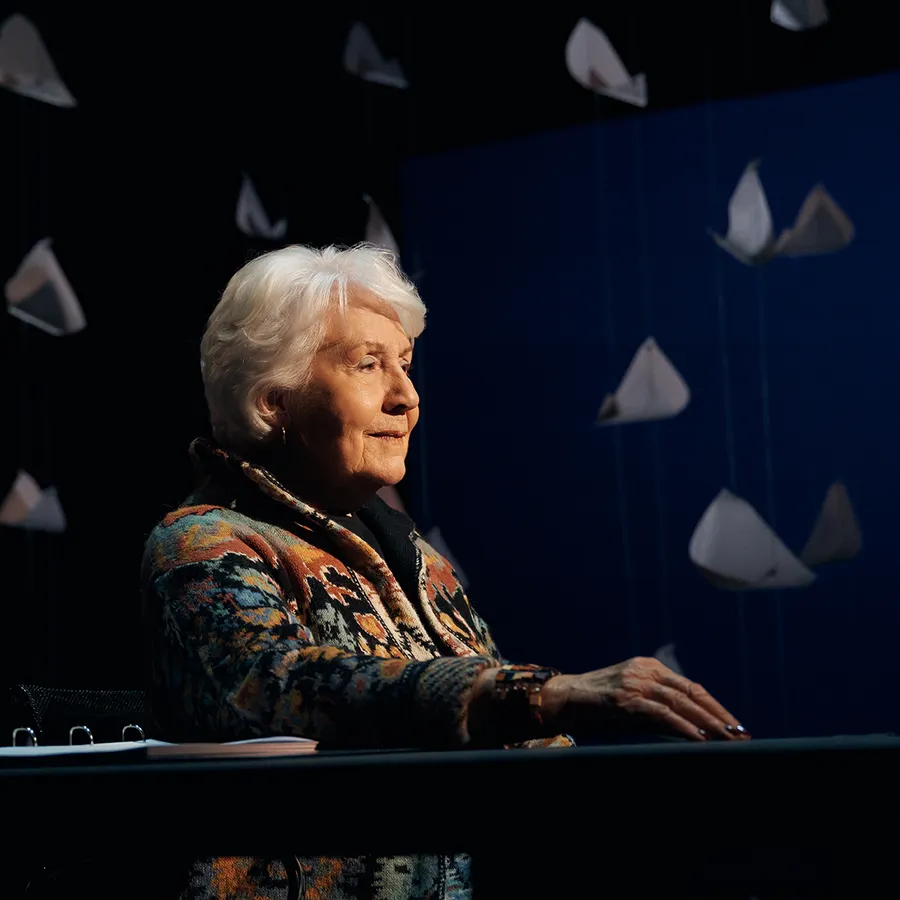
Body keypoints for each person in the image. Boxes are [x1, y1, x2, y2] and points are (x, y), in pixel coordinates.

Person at [141, 243, 749, 900]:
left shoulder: (421, 562)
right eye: (368, 365)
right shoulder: (201, 542)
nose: (407, 396)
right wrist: (540, 695)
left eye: (405, 364)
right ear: (272, 401)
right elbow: (280, 686)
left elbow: (510, 748)